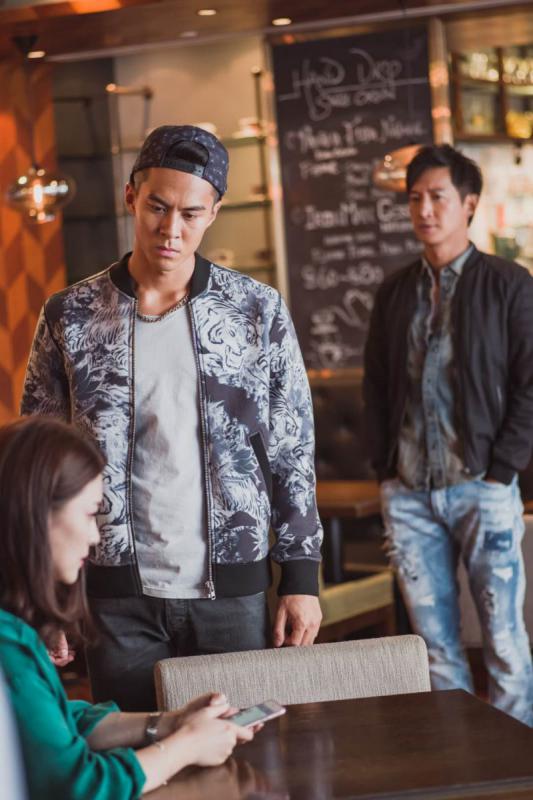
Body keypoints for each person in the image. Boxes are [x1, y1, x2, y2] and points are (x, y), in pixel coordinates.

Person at [21, 124, 323, 711]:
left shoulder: (255, 310)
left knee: (243, 749)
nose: (171, 229)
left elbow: (292, 448)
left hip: (233, 587)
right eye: (158, 207)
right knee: (135, 750)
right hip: (113, 594)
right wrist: (47, 595)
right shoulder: (70, 315)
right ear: (130, 197)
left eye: (190, 213)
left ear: (214, 212)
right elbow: (40, 469)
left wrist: (301, 578)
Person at [364, 144, 533, 726]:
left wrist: (502, 471)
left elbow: (530, 383)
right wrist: (385, 472)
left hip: (482, 485)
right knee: (433, 647)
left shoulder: (510, 284)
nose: (424, 210)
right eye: (415, 199)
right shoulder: (394, 291)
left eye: (437, 197)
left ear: (469, 204)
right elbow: (376, 386)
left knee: (504, 639)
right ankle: (459, 760)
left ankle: (516, 761)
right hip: (408, 492)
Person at [0, 416, 255, 799]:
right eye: (90, 514)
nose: (94, 537)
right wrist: (187, 745)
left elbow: (57, 722)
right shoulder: (8, 647)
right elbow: (78, 786)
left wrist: (170, 723)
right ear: (36, 515)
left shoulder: (14, 629)